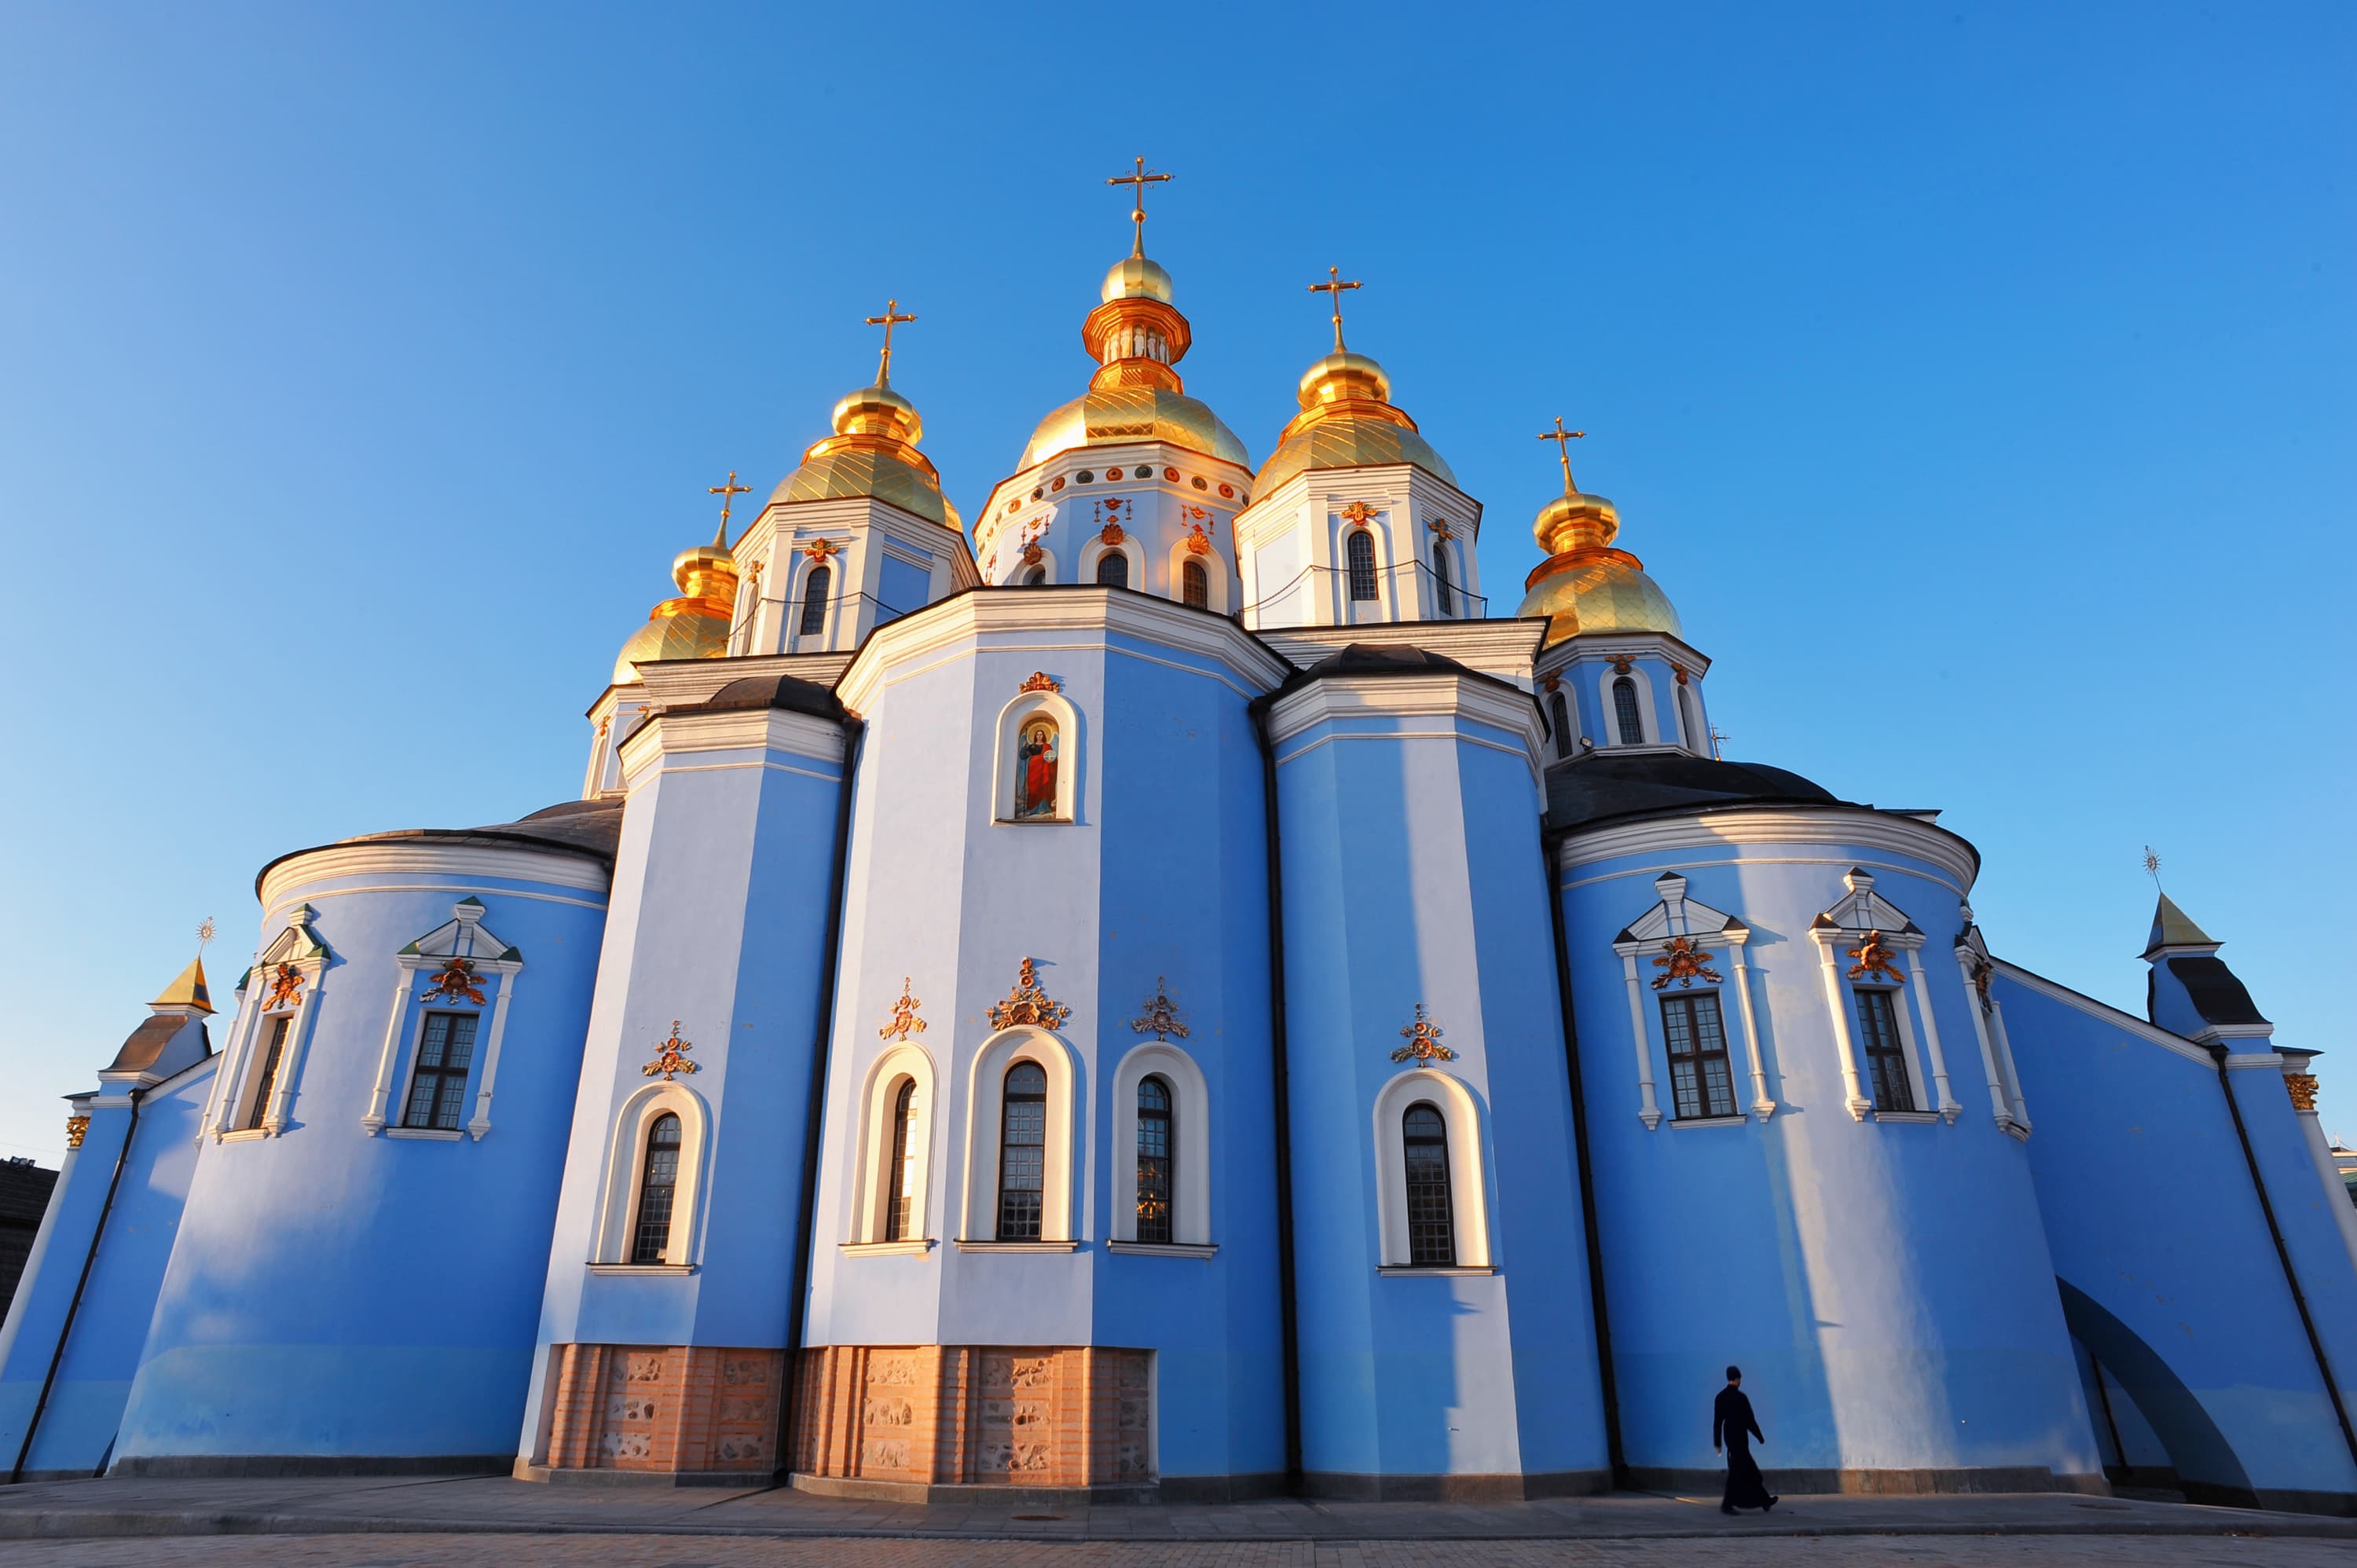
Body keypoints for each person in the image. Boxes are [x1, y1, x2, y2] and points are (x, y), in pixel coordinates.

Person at [1713, 1365, 1777, 1515]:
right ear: (1737, 1379)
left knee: (1748, 1471)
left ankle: (1765, 1500)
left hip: (1729, 1438)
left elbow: (1717, 1422)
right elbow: (1750, 1420)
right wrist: (1759, 1437)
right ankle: (1727, 1505)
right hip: (1741, 1440)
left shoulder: (1720, 1397)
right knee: (1744, 1473)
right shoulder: (1741, 1398)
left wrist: (1718, 1443)